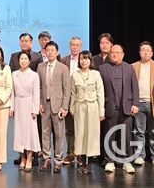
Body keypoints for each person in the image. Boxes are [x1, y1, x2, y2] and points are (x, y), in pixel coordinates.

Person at [99, 44, 139, 174]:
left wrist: (135, 103)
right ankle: (109, 161)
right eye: (112, 52)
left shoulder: (129, 68)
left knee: (126, 136)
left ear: (123, 54)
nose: (114, 54)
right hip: (109, 107)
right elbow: (99, 90)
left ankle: (126, 161)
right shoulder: (102, 68)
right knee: (109, 135)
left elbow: (134, 87)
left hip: (126, 108)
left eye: (117, 52)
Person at [70, 51, 105, 174]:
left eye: (86, 58)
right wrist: (72, 109)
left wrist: (101, 112)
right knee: (80, 135)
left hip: (92, 107)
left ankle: (89, 164)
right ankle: (83, 163)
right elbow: (73, 93)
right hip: (79, 107)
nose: (84, 61)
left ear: (90, 60)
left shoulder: (96, 74)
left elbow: (100, 93)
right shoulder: (75, 75)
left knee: (91, 135)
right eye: (81, 59)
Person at [38, 41, 70, 172]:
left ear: (57, 52)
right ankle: (46, 159)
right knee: (45, 133)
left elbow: (66, 89)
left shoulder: (63, 68)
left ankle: (58, 161)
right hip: (45, 105)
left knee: (59, 135)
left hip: (58, 106)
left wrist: (65, 107)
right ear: (45, 52)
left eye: (52, 50)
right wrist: (39, 103)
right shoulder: (41, 66)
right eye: (48, 50)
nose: (50, 52)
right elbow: (39, 87)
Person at [131, 41, 154, 168]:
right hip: (138, 103)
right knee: (139, 132)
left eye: (148, 50)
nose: (145, 52)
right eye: (143, 50)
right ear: (139, 52)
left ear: (152, 53)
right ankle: (140, 156)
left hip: (153, 104)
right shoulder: (133, 66)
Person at [11, 51, 41, 172]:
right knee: (19, 134)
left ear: (29, 61)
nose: (23, 61)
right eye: (21, 59)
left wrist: (35, 109)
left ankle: (29, 158)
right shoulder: (14, 74)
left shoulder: (34, 75)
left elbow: (36, 93)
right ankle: (22, 158)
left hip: (29, 105)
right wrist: (12, 108)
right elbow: (12, 92)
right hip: (18, 104)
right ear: (18, 61)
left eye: (25, 59)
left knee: (31, 133)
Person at [60, 36, 82, 166]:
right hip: (68, 99)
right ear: (70, 46)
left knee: (81, 128)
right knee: (69, 129)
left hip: (81, 99)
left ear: (80, 46)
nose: (75, 47)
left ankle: (80, 154)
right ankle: (70, 153)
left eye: (77, 45)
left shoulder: (85, 59)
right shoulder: (63, 61)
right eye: (73, 45)